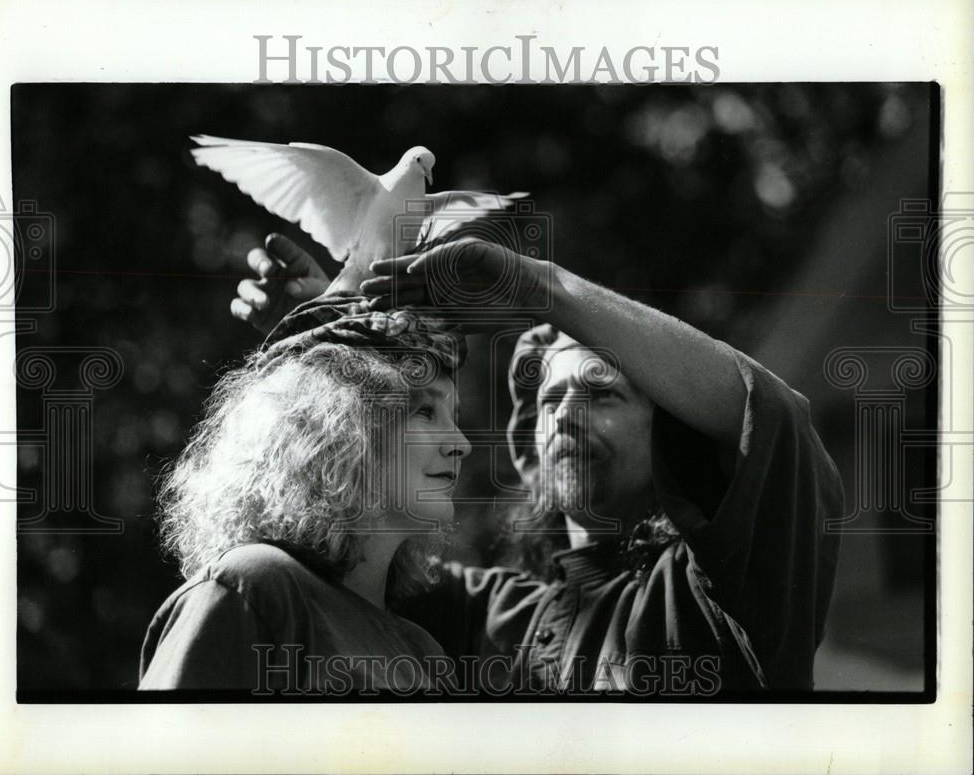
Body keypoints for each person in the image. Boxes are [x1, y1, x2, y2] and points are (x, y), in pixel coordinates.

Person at [232, 233, 843, 695]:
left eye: (602, 393)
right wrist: (329, 327)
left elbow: (775, 418)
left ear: (675, 437)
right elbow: (342, 537)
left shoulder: (727, 597)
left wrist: (534, 287)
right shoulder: (478, 614)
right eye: (551, 398)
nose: (566, 414)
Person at [138, 300, 472, 693]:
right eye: (425, 411)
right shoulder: (251, 588)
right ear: (339, 427)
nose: (461, 444)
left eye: (455, 416)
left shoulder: (426, 654)